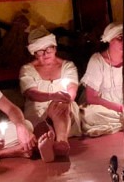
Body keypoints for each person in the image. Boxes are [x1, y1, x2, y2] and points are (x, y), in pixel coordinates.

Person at [20, 27, 81, 161]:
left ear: (55, 48)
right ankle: (47, 144)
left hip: (64, 109)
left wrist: (65, 99)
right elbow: (31, 93)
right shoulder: (27, 70)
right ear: (34, 53)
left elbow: (72, 88)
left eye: (49, 49)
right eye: (41, 52)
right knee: (39, 125)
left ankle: (61, 142)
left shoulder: (68, 66)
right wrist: (52, 96)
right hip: (38, 110)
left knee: (61, 105)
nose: (46, 54)